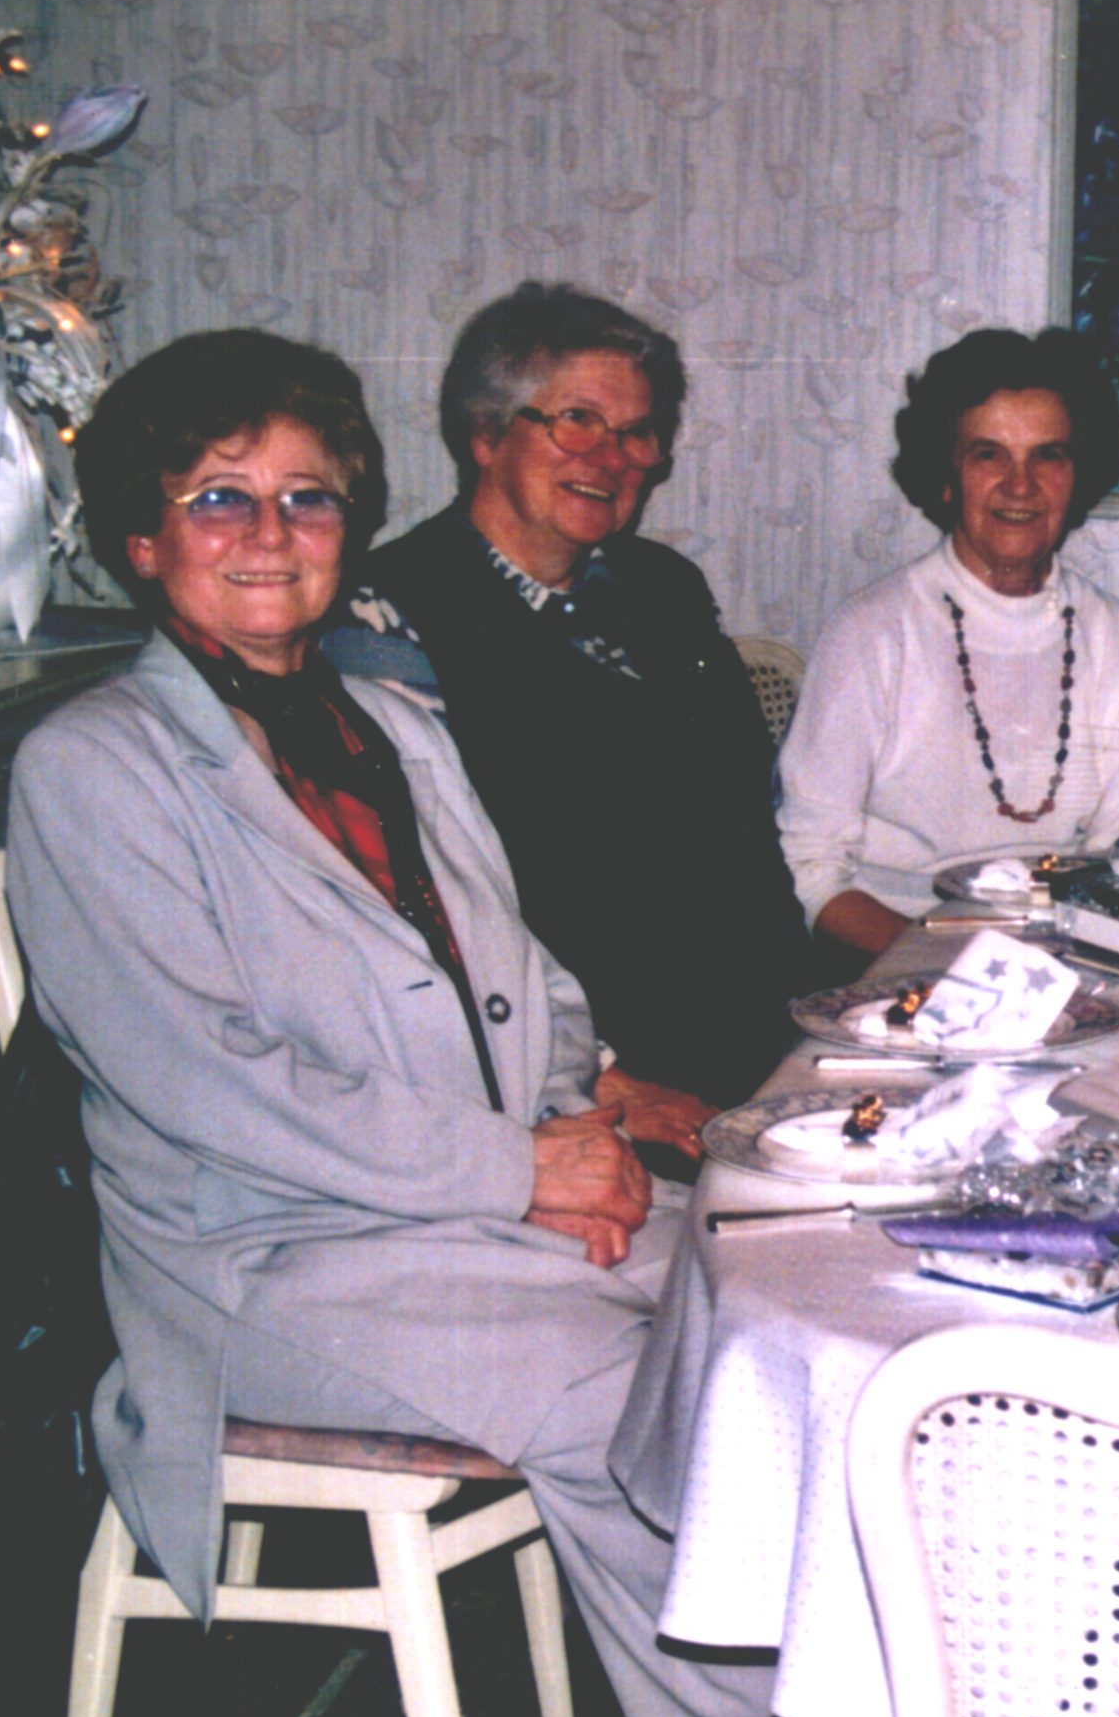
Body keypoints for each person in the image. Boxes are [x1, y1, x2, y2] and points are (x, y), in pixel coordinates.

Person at [10, 331, 896, 1717]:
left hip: (450, 1210)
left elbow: (518, 963)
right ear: (141, 541)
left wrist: (585, 1107)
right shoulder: (93, 770)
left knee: (775, 1305)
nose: (272, 534)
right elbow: (213, 1087)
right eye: (220, 500)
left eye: (307, 498)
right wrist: (518, 1168)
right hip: (262, 1264)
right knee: (630, 1405)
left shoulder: (388, 725)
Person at [324, 281, 808, 1139]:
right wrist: (602, 1079)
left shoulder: (665, 589)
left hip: (751, 1039)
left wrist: (813, 1022)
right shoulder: (386, 616)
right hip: (569, 1079)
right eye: (577, 421)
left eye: (636, 433)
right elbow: (425, 904)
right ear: (483, 434)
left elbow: (749, 825)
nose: (611, 457)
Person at [775, 327, 1119, 959]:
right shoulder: (870, 633)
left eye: (1049, 456)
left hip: (1065, 958)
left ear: (1079, 476)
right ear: (945, 477)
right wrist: (944, 966)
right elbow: (810, 865)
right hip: (888, 953)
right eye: (989, 455)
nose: (1021, 486)